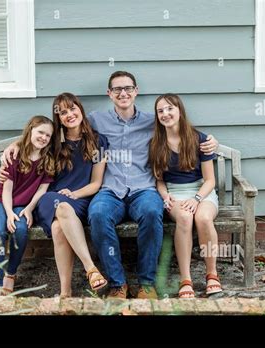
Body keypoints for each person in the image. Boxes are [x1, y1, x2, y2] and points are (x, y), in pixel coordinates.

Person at [86, 71, 219, 299]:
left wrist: (212, 141)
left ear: (136, 91)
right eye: (117, 89)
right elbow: (60, 129)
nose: (123, 93)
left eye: (128, 88)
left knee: (150, 211)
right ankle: (118, 284)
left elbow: (186, 133)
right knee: (97, 213)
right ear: (109, 94)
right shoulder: (96, 120)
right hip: (110, 189)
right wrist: (20, 144)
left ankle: (147, 284)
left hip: (144, 189)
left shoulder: (154, 121)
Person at [0, 93, 109, 298]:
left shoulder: (98, 141)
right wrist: (12, 146)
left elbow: (96, 183)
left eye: (72, 109)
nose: (69, 115)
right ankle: (91, 269)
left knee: (59, 227)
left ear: (80, 110)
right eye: (63, 112)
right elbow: (30, 142)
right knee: (61, 206)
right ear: (58, 118)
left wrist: (74, 193)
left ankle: (65, 293)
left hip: (81, 199)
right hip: (49, 199)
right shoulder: (53, 142)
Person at [149, 93, 222, 298]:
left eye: (170, 108)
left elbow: (210, 180)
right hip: (174, 193)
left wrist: (196, 199)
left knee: (204, 218)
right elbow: (159, 180)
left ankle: (212, 274)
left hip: (202, 191)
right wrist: (165, 196)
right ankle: (186, 279)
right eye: (160, 111)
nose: (165, 114)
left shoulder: (200, 139)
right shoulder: (156, 144)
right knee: (184, 217)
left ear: (180, 110)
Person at [0, 115, 55, 298]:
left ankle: (11, 272)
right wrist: (9, 213)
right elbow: (6, 190)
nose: (44, 137)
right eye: (40, 132)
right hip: (1, 201)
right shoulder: (15, 155)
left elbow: (42, 189)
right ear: (30, 130)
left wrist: (30, 208)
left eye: (48, 135)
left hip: (24, 205)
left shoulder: (48, 160)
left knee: (21, 230)